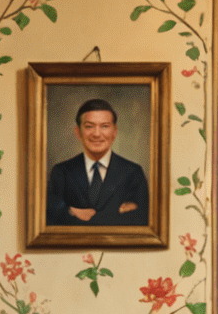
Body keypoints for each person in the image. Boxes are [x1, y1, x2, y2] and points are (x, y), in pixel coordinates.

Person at [45, 97, 150, 226]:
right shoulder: (61, 172)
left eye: (105, 126)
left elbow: (141, 220)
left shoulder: (133, 173)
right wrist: (71, 211)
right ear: (78, 132)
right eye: (89, 126)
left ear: (114, 131)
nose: (96, 134)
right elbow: (50, 218)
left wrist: (73, 215)